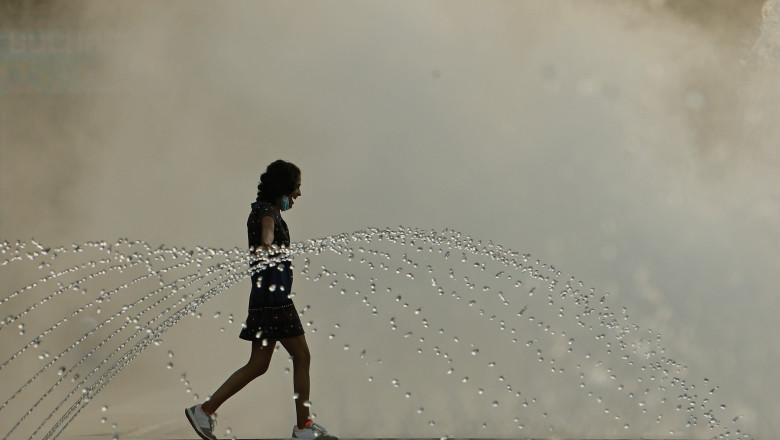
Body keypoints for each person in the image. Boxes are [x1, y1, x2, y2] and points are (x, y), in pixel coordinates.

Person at [185, 160, 336, 440]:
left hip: (265, 300)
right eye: (296, 187)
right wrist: (267, 245)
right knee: (301, 356)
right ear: (283, 188)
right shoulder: (266, 213)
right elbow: (266, 234)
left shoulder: (269, 211)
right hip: (275, 301)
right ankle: (303, 427)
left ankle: (204, 411)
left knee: (258, 364)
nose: (299, 194)